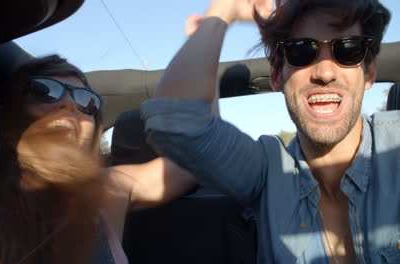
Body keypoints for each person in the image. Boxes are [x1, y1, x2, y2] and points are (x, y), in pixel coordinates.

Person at [141, 0, 398, 263]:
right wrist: (223, 10)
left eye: (348, 49)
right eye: (301, 51)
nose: (325, 72)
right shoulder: (266, 171)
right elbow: (172, 121)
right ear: (276, 77)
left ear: (369, 74)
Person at [0, 55, 197, 263]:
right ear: (14, 119)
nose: (70, 105)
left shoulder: (110, 191)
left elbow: (198, 159)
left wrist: (213, 24)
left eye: (87, 101)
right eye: (45, 90)